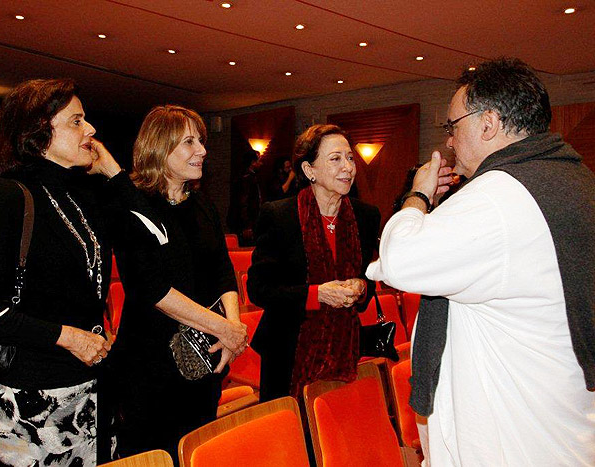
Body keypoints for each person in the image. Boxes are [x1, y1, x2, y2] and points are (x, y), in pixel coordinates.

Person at [366, 58, 595, 465]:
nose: (450, 142)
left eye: (453, 126)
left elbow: (398, 261)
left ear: (487, 124)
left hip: (512, 436)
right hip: (563, 418)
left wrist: (417, 196)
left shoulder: (499, 195)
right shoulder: (575, 180)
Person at [0, 79, 114, 466]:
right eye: (76, 121)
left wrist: (113, 171)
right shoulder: (6, 196)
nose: (90, 130)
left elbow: (148, 233)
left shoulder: (81, 195)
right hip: (29, 403)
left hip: (88, 393)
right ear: (39, 134)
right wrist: (66, 337)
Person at [108, 105, 246, 460]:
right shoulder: (135, 208)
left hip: (203, 361)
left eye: (200, 140)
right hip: (151, 367)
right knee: (154, 454)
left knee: (197, 451)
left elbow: (222, 270)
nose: (202, 149)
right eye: (189, 141)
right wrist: (223, 328)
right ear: (159, 147)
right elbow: (151, 288)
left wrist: (231, 326)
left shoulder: (203, 205)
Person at [248, 124, 381, 401]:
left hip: (344, 349)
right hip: (287, 350)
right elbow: (259, 290)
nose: (347, 167)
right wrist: (317, 294)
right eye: (335, 159)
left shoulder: (366, 216)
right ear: (309, 171)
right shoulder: (279, 215)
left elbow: (368, 282)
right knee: (293, 438)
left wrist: (361, 287)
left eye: (349, 158)